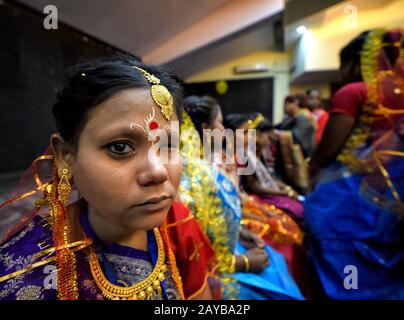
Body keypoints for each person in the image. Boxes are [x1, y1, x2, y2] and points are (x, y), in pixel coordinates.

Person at [0, 56, 215, 300]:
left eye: (168, 145)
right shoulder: (25, 276)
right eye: (120, 147)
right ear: (66, 156)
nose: (158, 172)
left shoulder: (178, 222)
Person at [305, 29, 404, 299]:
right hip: (395, 196)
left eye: (343, 66)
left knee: (345, 259)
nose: (341, 75)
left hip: (354, 197)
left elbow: (329, 150)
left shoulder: (354, 92)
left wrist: (312, 168)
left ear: (357, 62)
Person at [179, 95, 304, 300]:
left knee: (278, 259)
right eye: (219, 122)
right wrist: (242, 262)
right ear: (205, 127)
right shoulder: (190, 175)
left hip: (228, 246)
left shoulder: (207, 165)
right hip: (213, 265)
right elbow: (196, 243)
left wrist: (242, 233)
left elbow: (220, 217)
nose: (223, 129)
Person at [279, 94, 316, 158]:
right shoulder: (291, 118)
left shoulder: (303, 117)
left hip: (301, 157)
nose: (285, 106)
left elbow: (295, 137)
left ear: (296, 103)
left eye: (288, 103)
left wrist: (278, 134)